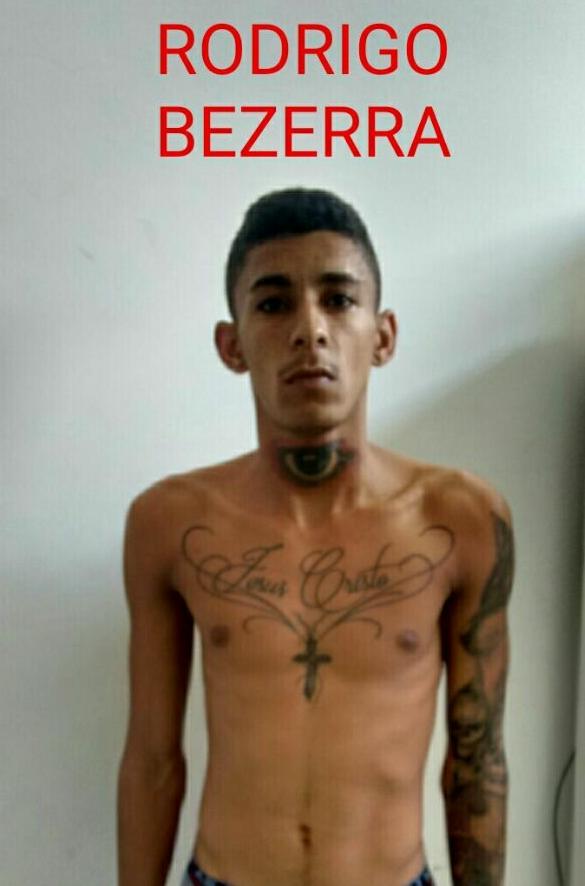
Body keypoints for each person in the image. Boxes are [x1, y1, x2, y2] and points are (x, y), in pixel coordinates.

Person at [116, 188, 515, 886]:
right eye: (274, 304)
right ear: (231, 345)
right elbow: (152, 759)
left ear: (382, 335)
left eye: (338, 299)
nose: (310, 329)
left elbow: (476, 760)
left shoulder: (460, 521)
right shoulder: (171, 524)